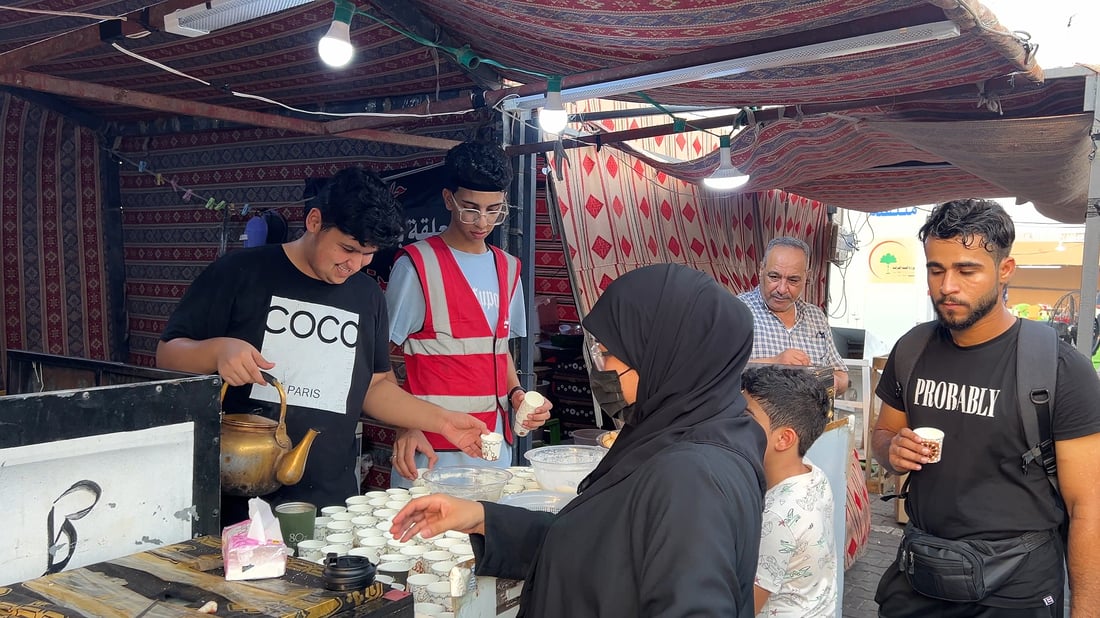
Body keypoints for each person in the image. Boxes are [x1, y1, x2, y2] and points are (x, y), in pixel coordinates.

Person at [389, 263, 767, 616]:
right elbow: (599, 547)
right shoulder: (689, 433)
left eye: (608, 355)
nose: (601, 370)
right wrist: (482, 518)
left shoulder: (692, 476)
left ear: (663, 358)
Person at [156, 166, 488, 525]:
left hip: (330, 499)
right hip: (236, 492)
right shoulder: (239, 273)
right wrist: (218, 351)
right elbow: (168, 354)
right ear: (314, 221)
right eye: (347, 249)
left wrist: (439, 421)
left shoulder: (366, 296)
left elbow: (374, 386)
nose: (354, 264)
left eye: (367, 254)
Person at [872, 198, 1100, 617]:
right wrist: (892, 450)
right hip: (921, 571)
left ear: (1005, 270)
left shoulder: (1059, 369)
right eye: (936, 269)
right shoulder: (912, 348)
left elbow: (1088, 507)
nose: (947, 287)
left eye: (966, 270)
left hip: (1015, 585)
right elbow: (883, 435)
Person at [385, 141, 551, 485]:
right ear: (448, 200)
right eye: (471, 209)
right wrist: (405, 423)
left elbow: (497, 349)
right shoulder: (417, 265)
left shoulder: (508, 268)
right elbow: (379, 358)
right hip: (430, 451)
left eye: (494, 210)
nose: (483, 221)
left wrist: (517, 395)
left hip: (493, 448)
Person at [741, 365, 837, 617]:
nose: (734, 424)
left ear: (784, 439)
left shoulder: (777, 517)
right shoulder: (812, 474)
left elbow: (746, 606)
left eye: (745, 418)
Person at [738, 236, 849, 394]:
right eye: (774, 277)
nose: (782, 289)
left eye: (793, 280)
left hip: (810, 417)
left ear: (806, 277)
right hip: (754, 418)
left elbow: (841, 374)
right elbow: (718, 370)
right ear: (761, 269)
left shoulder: (815, 317)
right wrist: (774, 362)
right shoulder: (738, 311)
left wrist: (834, 383)